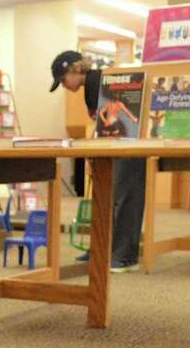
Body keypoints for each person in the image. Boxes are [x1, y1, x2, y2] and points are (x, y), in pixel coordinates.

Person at [50, 51, 146, 271]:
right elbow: (100, 123)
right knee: (108, 197)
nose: (64, 86)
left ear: (75, 69)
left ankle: (124, 256)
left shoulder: (96, 81)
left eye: (63, 80)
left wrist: (91, 153)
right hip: (117, 141)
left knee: (124, 196)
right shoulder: (93, 84)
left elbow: (105, 121)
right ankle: (103, 248)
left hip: (127, 140)